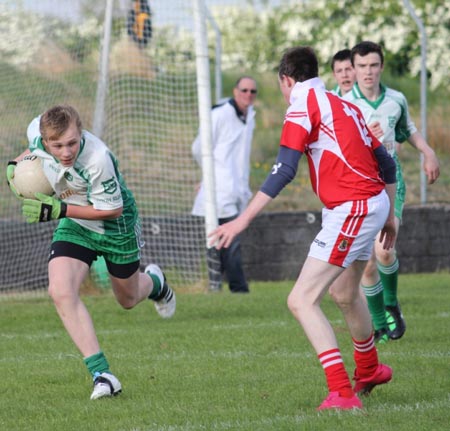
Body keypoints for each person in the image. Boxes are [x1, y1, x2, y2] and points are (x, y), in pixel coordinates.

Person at [210, 46, 397, 410]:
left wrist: (242, 220)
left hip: (353, 209)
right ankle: (370, 368)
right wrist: (389, 213)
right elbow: (386, 161)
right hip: (370, 205)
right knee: (344, 293)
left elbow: (283, 169)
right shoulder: (341, 103)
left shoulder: (301, 102)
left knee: (300, 299)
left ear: (286, 80)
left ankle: (341, 393)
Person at [5, 104, 176, 400]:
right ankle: (103, 375)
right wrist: (13, 166)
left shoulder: (97, 158)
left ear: (81, 133)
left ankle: (156, 284)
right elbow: (29, 151)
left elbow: (112, 210)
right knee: (60, 290)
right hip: (76, 224)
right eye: (57, 145)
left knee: (128, 299)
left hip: (115, 227)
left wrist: (59, 209)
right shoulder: (37, 132)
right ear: (45, 140)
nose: (66, 151)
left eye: (72, 142)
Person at [344, 41, 440, 343]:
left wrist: (428, 152)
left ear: (381, 67)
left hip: (389, 181)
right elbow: (341, 149)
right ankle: (378, 321)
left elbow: (408, 129)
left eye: (373, 65)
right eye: (362, 66)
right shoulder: (346, 104)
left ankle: (391, 304)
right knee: (368, 261)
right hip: (361, 183)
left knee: (385, 250)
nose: (368, 72)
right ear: (354, 69)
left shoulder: (395, 99)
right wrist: (363, 140)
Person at [192, 76, 257, 293]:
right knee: (228, 244)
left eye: (252, 92)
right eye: (244, 90)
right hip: (218, 192)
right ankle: (238, 289)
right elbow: (198, 148)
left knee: (225, 245)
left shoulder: (250, 117)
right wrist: (208, 177)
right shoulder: (219, 114)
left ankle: (218, 289)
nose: (248, 95)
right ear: (235, 91)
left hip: (237, 192)